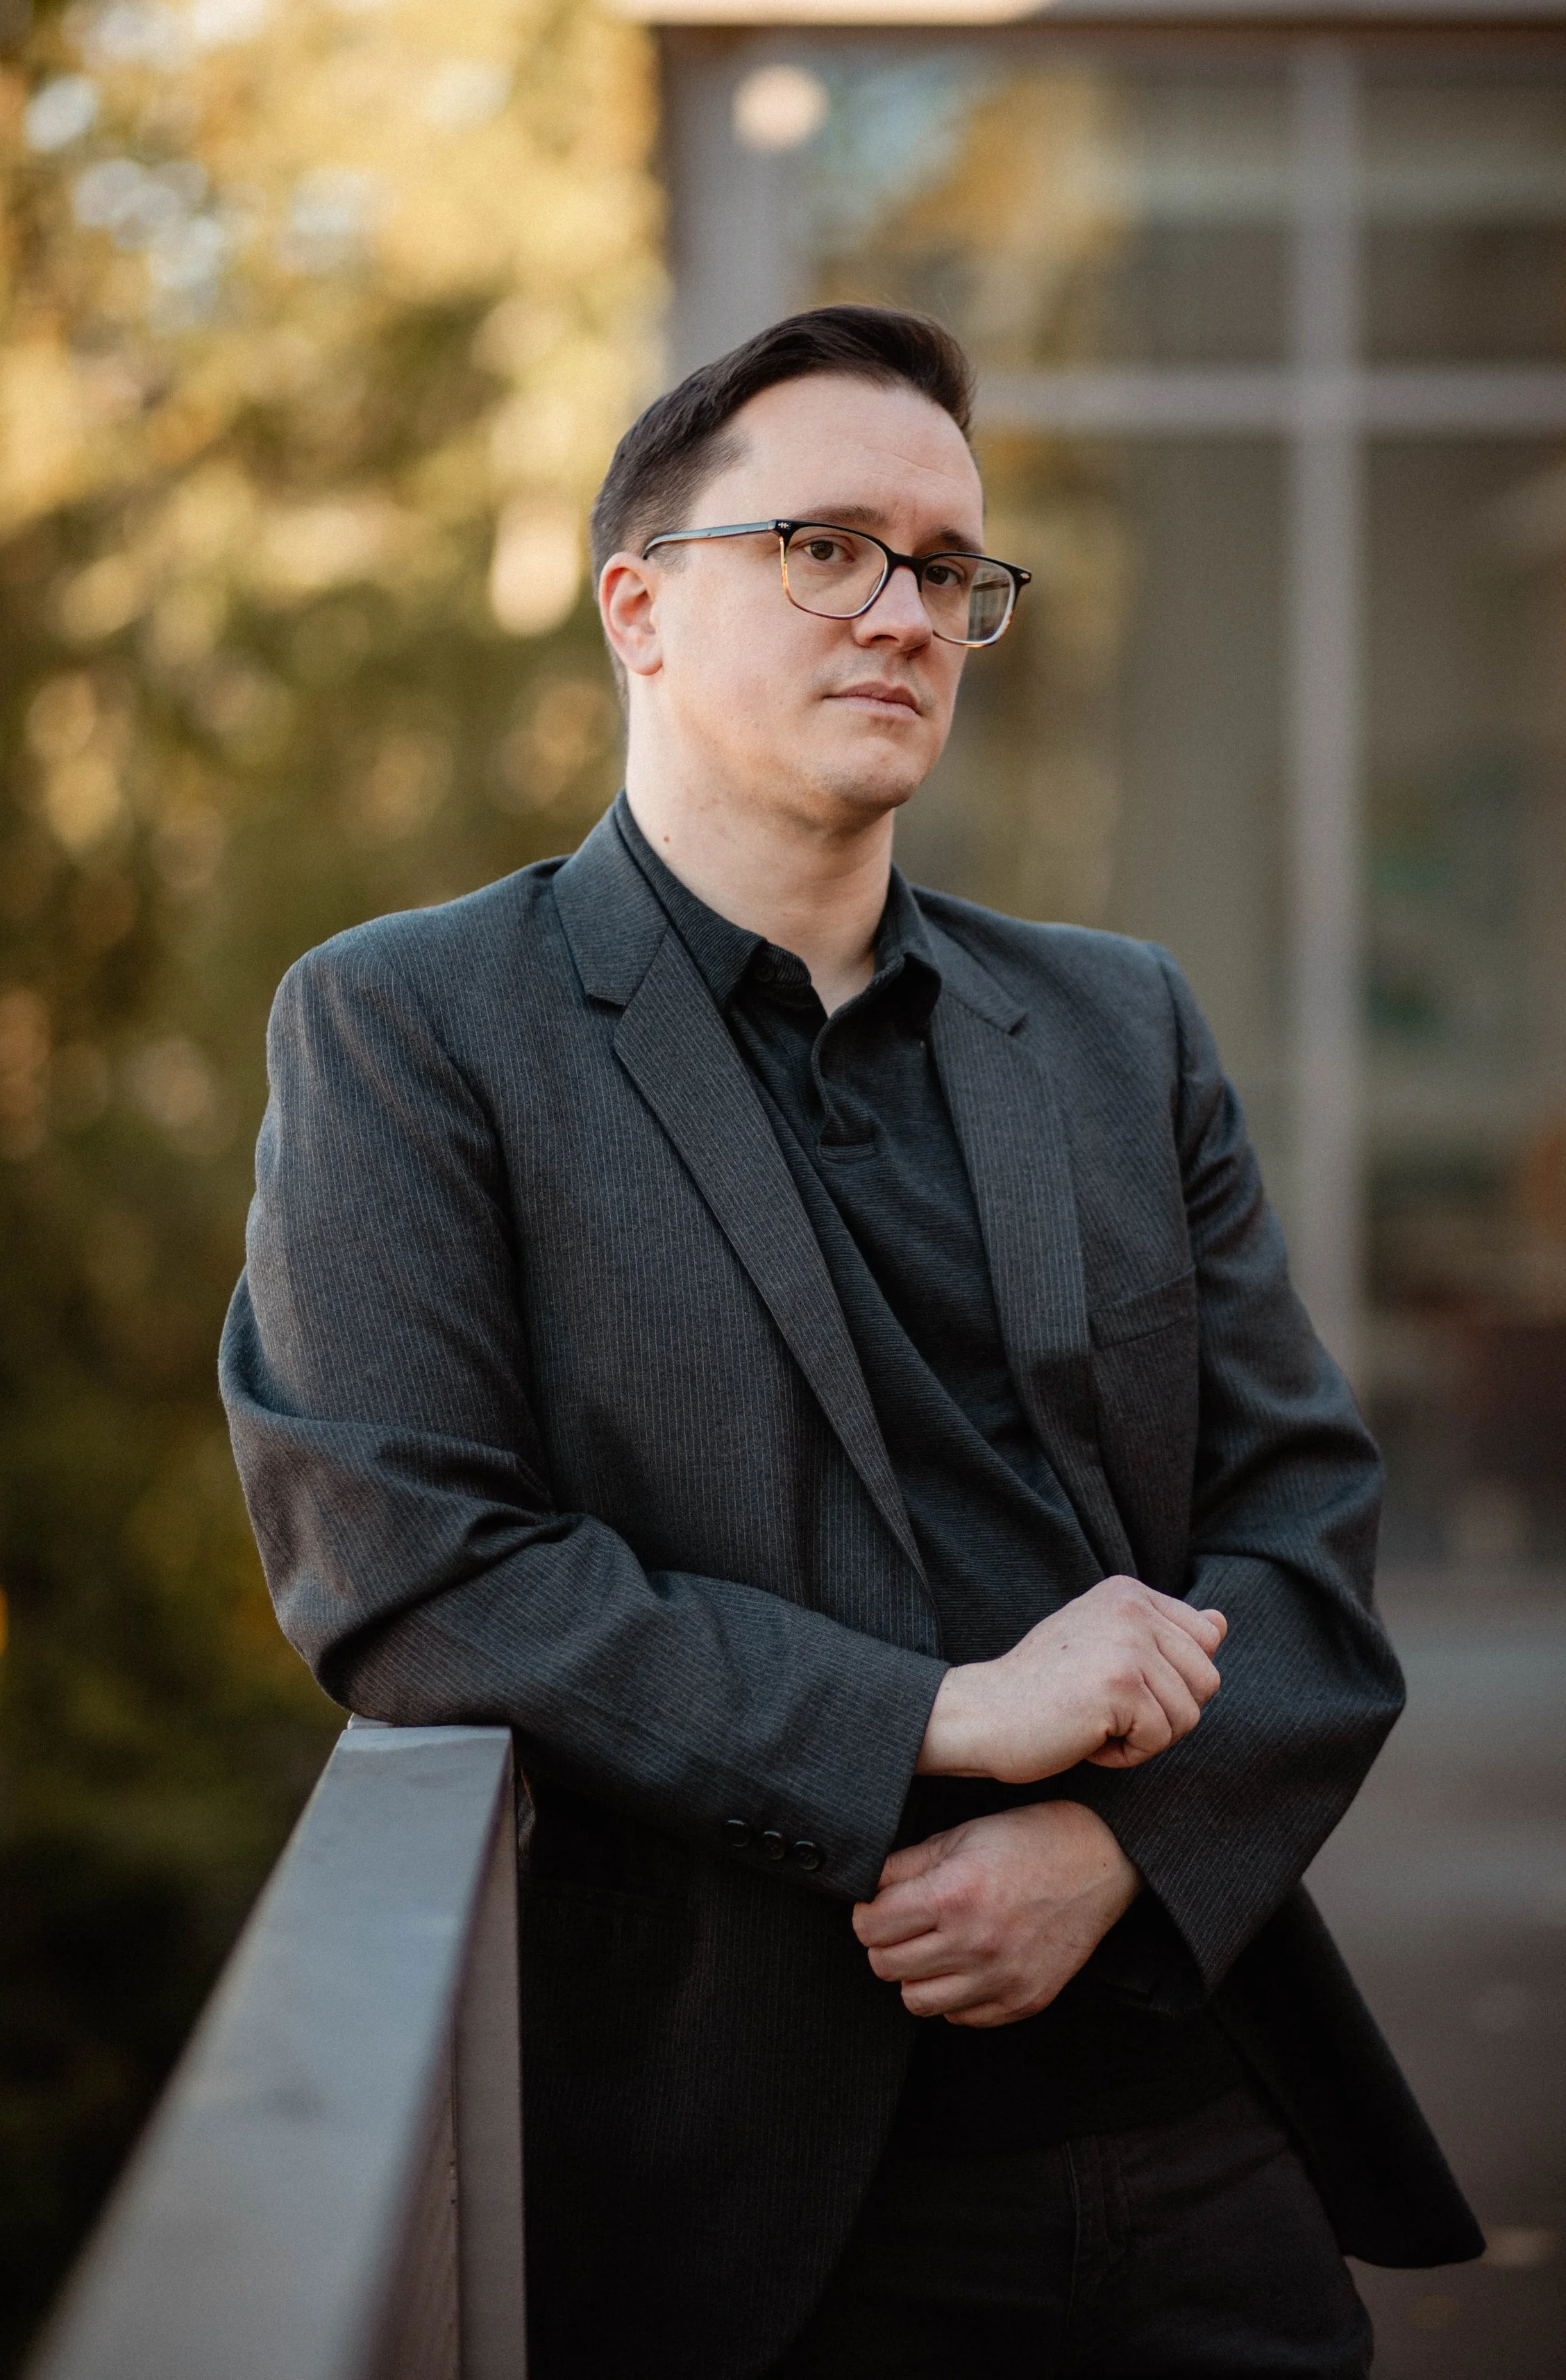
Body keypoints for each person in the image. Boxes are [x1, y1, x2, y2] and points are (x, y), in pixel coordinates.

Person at [220, 304, 1481, 2379]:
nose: (902, 612)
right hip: (756, 2189)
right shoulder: (413, 1024)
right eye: (823, 547)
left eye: (946, 569)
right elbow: (407, 1567)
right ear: (637, 604)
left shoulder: (1111, 1021)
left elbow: (1302, 1514)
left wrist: (1116, 1848)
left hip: (1190, 2118)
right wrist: (937, 1716)